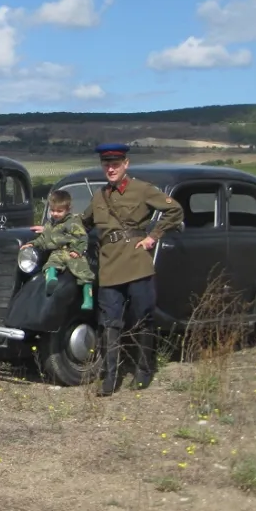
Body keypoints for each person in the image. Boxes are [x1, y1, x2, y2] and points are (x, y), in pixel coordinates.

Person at [82, 142, 183, 395]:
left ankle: (144, 370)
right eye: (107, 164)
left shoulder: (142, 190)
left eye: (115, 164)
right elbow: (81, 224)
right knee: (109, 324)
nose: (111, 169)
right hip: (109, 267)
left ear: (126, 164)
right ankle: (110, 377)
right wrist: (51, 231)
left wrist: (153, 236)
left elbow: (175, 210)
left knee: (142, 320)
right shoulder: (98, 196)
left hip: (137, 264)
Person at [23, 189, 94, 311]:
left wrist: (78, 250)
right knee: (50, 265)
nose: (55, 214)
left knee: (84, 273)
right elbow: (44, 239)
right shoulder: (50, 224)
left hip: (72, 251)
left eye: (59, 211)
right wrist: (32, 244)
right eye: (53, 211)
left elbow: (82, 237)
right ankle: (51, 279)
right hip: (58, 251)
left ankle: (88, 298)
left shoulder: (73, 223)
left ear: (67, 210)